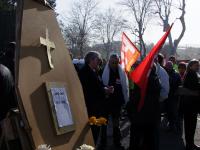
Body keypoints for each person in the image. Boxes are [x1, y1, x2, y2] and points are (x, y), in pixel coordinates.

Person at [79, 51, 113, 149]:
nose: (99, 62)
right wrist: (105, 91)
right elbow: (90, 91)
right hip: (91, 109)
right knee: (92, 133)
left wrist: (106, 88)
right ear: (91, 60)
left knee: (96, 132)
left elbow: (98, 86)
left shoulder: (93, 71)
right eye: (97, 60)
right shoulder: (84, 72)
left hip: (96, 108)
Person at [127, 63, 161, 150]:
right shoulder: (156, 79)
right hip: (151, 115)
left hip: (140, 115)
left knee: (137, 139)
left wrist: (129, 109)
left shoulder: (143, 80)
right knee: (149, 139)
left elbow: (136, 98)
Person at [102, 53, 129, 149]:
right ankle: (103, 144)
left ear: (118, 62)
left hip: (117, 102)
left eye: (116, 62)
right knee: (104, 124)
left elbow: (125, 87)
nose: (114, 64)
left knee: (116, 124)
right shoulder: (103, 72)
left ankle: (117, 143)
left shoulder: (121, 72)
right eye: (112, 62)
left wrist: (125, 100)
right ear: (109, 62)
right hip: (106, 102)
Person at [182, 59, 200, 150]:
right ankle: (190, 145)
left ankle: (190, 144)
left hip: (189, 104)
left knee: (189, 126)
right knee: (190, 126)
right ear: (191, 66)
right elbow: (195, 87)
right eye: (196, 65)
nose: (198, 67)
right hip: (191, 105)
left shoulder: (188, 73)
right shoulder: (191, 74)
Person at [165, 61, 182, 132]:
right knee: (169, 112)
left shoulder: (176, 74)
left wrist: (176, 93)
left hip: (174, 96)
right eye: (167, 66)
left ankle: (177, 128)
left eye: (170, 66)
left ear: (172, 66)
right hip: (167, 96)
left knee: (175, 113)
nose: (168, 67)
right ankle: (171, 126)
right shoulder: (165, 73)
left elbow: (179, 85)